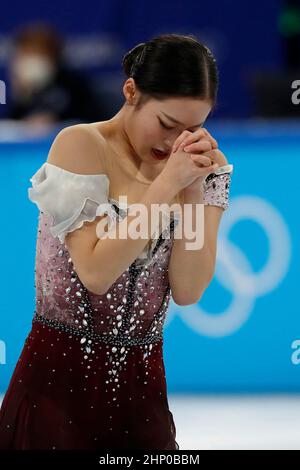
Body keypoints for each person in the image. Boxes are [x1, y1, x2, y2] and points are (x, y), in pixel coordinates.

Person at [0, 33, 233, 450]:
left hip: (144, 397)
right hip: (56, 389)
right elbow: (95, 272)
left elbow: (189, 289)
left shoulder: (201, 170)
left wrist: (194, 192)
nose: (175, 142)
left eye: (194, 128)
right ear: (131, 91)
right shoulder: (80, 145)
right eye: (166, 124)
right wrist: (168, 185)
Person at [6, 22, 105, 126]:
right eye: (25, 53)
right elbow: (13, 124)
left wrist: (54, 119)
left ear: (52, 54)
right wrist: (23, 95)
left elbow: (90, 120)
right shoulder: (25, 87)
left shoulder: (74, 83)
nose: (30, 60)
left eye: (36, 52)